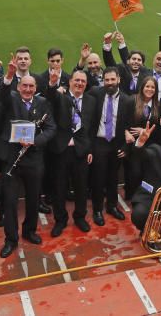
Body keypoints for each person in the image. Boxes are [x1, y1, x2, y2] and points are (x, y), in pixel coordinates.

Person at [0, 63, 56, 258]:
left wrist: (34, 141)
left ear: (35, 89)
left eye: (31, 87)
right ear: (18, 87)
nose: (28, 89)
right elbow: (1, 96)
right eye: (24, 86)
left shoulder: (43, 103)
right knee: (10, 201)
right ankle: (10, 239)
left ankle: (30, 231)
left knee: (33, 199)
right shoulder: (10, 99)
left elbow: (51, 128)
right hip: (11, 158)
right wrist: (9, 76)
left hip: (33, 159)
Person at [44, 70, 96, 237]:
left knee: (81, 187)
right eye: (77, 80)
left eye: (83, 81)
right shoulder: (62, 97)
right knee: (59, 187)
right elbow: (50, 97)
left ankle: (80, 217)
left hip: (80, 150)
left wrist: (89, 149)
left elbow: (91, 128)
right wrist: (52, 84)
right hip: (61, 150)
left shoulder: (91, 101)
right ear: (70, 82)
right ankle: (60, 220)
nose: (79, 83)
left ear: (86, 84)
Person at [88, 67, 133, 225]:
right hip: (99, 142)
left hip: (116, 143)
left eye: (112, 80)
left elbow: (129, 126)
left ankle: (112, 206)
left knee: (113, 177)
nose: (109, 83)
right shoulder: (96, 93)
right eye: (106, 80)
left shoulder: (127, 101)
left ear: (118, 79)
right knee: (98, 178)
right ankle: (98, 209)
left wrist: (126, 147)